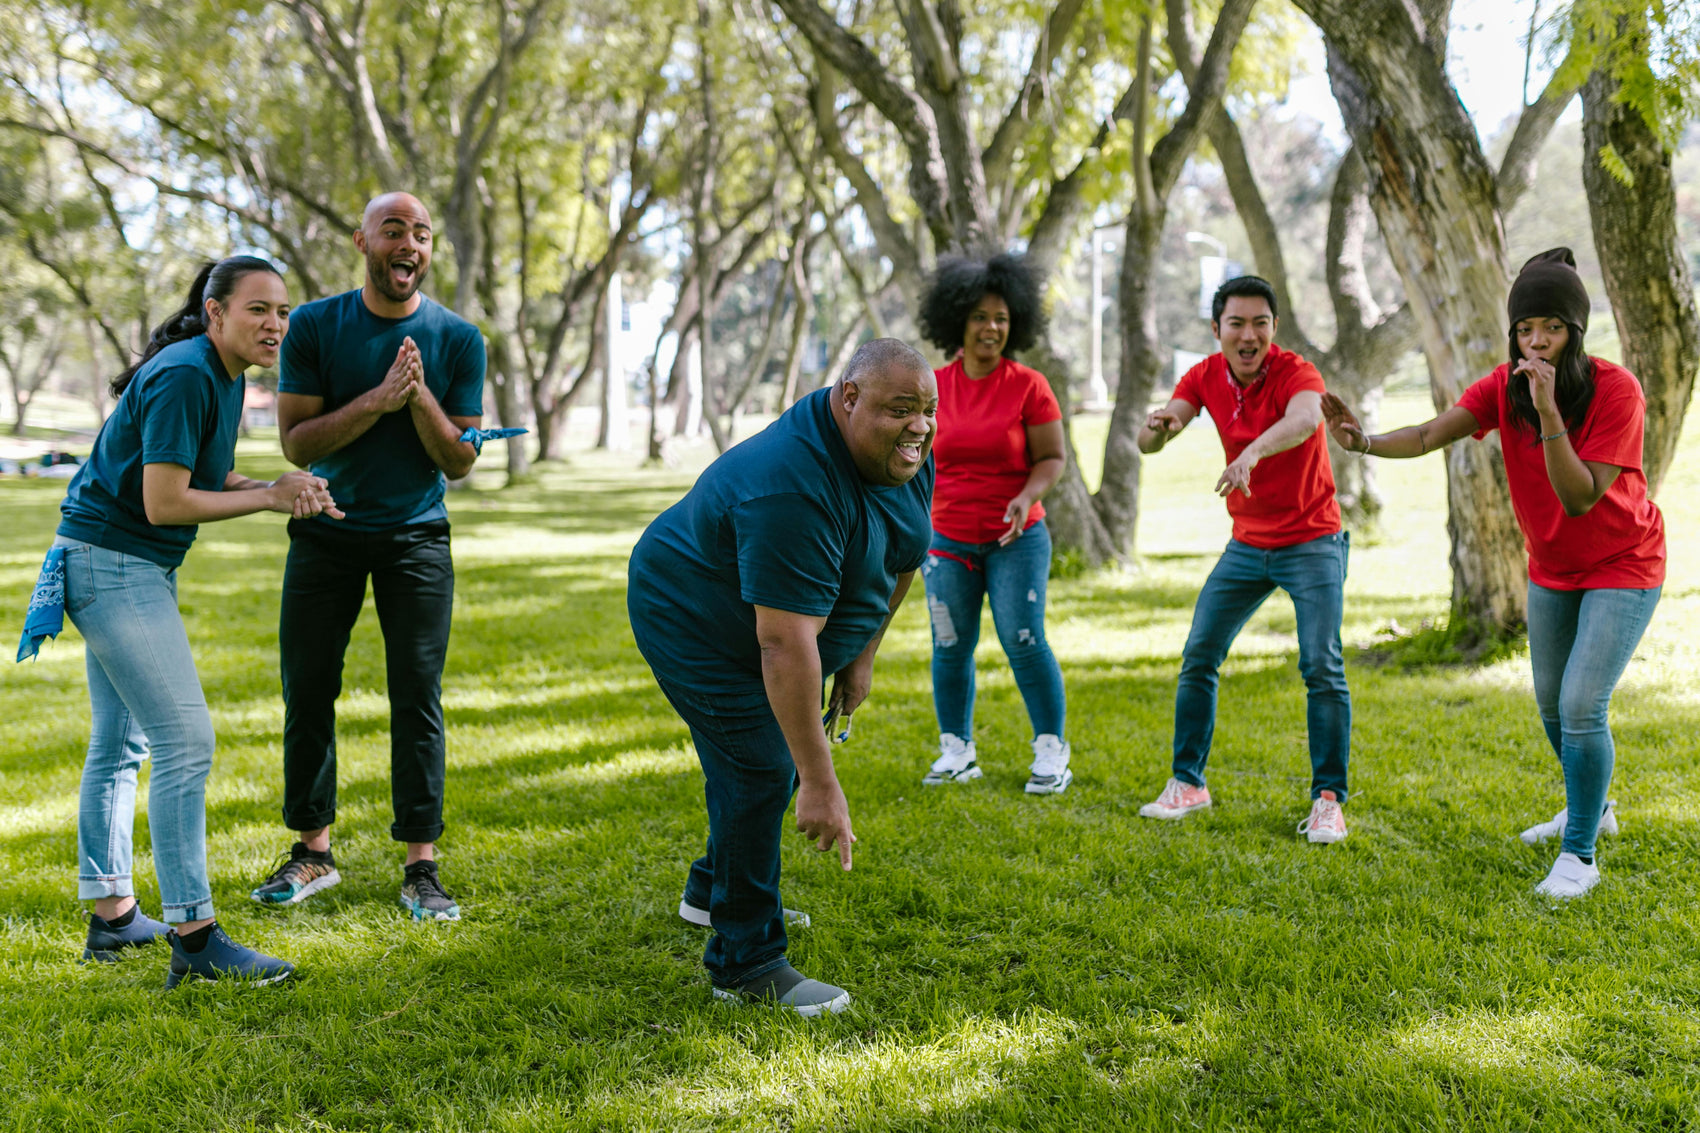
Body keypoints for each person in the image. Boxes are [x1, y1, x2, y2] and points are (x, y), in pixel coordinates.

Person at [1324, 248, 1664, 898]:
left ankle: (1580, 853)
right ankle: (1595, 804)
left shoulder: (1617, 391)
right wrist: (1363, 441)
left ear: (1576, 332)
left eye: (1552, 327)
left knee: (1581, 704)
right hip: (1554, 568)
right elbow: (1428, 434)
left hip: (1625, 563)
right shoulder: (1500, 388)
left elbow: (1581, 496)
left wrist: (1549, 414)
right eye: (1526, 326)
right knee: (1551, 709)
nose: (1537, 340)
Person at [46, 255, 340, 986]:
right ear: (215, 313)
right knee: (186, 740)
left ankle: (113, 917)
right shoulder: (185, 373)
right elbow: (165, 502)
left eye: (282, 311)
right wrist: (269, 500)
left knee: (121, 743)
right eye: (257, 310)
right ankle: (196, 935)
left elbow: (204, 477)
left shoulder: (221, 374)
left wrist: (278, 483)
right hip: (114, 562)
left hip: (113, 559)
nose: (275, 324)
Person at [627, 339, 936, 1016]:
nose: (919, 425)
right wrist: (821, 783)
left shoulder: (902, 451)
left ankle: (713, 889)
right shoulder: (792, 483)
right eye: (901, 409)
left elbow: (907, 552)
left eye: (927, 410)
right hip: (689, 613)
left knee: (772, 759)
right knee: (764, 763)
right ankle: (745, 962)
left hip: (764, 619)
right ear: (848, 398)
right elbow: (782, 641)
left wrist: (862, 654)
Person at [251, 192, 486, 922]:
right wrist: (380, 398)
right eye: (394, 229)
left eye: (421, 232)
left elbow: (460, 462)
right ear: (364, 241)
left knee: (417, 696)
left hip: (416, 539)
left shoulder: (457, 338)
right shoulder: (317, 324)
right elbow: (297, 442)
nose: (409, 242)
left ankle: (422, 865)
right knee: (309, 687)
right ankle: (312, 851)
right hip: (324, 530)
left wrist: (417, 403)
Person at [1135, 275, 1353, 843]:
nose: (1249, 334)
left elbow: (1307, 419)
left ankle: (1328, 800)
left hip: (1313, 540)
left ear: (1274, 329)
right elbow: (1159, 432)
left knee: (1321, 665)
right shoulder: (1205, 375)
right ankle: (1188, 783)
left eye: (1260, 323)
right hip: (1249, 544)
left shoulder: (1297, 373)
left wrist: (1252, 452)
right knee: (1199, 654)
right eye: (1237, 323)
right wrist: (1156, 428)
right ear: (1218, 330)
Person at [913, 254, 1071, 794]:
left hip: (1016, 538)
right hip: (948, 539)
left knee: (1024, 639)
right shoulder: (931, 387)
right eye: (981, 316)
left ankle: (1051, 750)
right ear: (957, 320)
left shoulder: (1029, 385)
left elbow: (1052, 457)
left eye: (1002, 318)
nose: (992, 327)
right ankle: (956, 750)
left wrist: (1027, 497)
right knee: (950, 644)